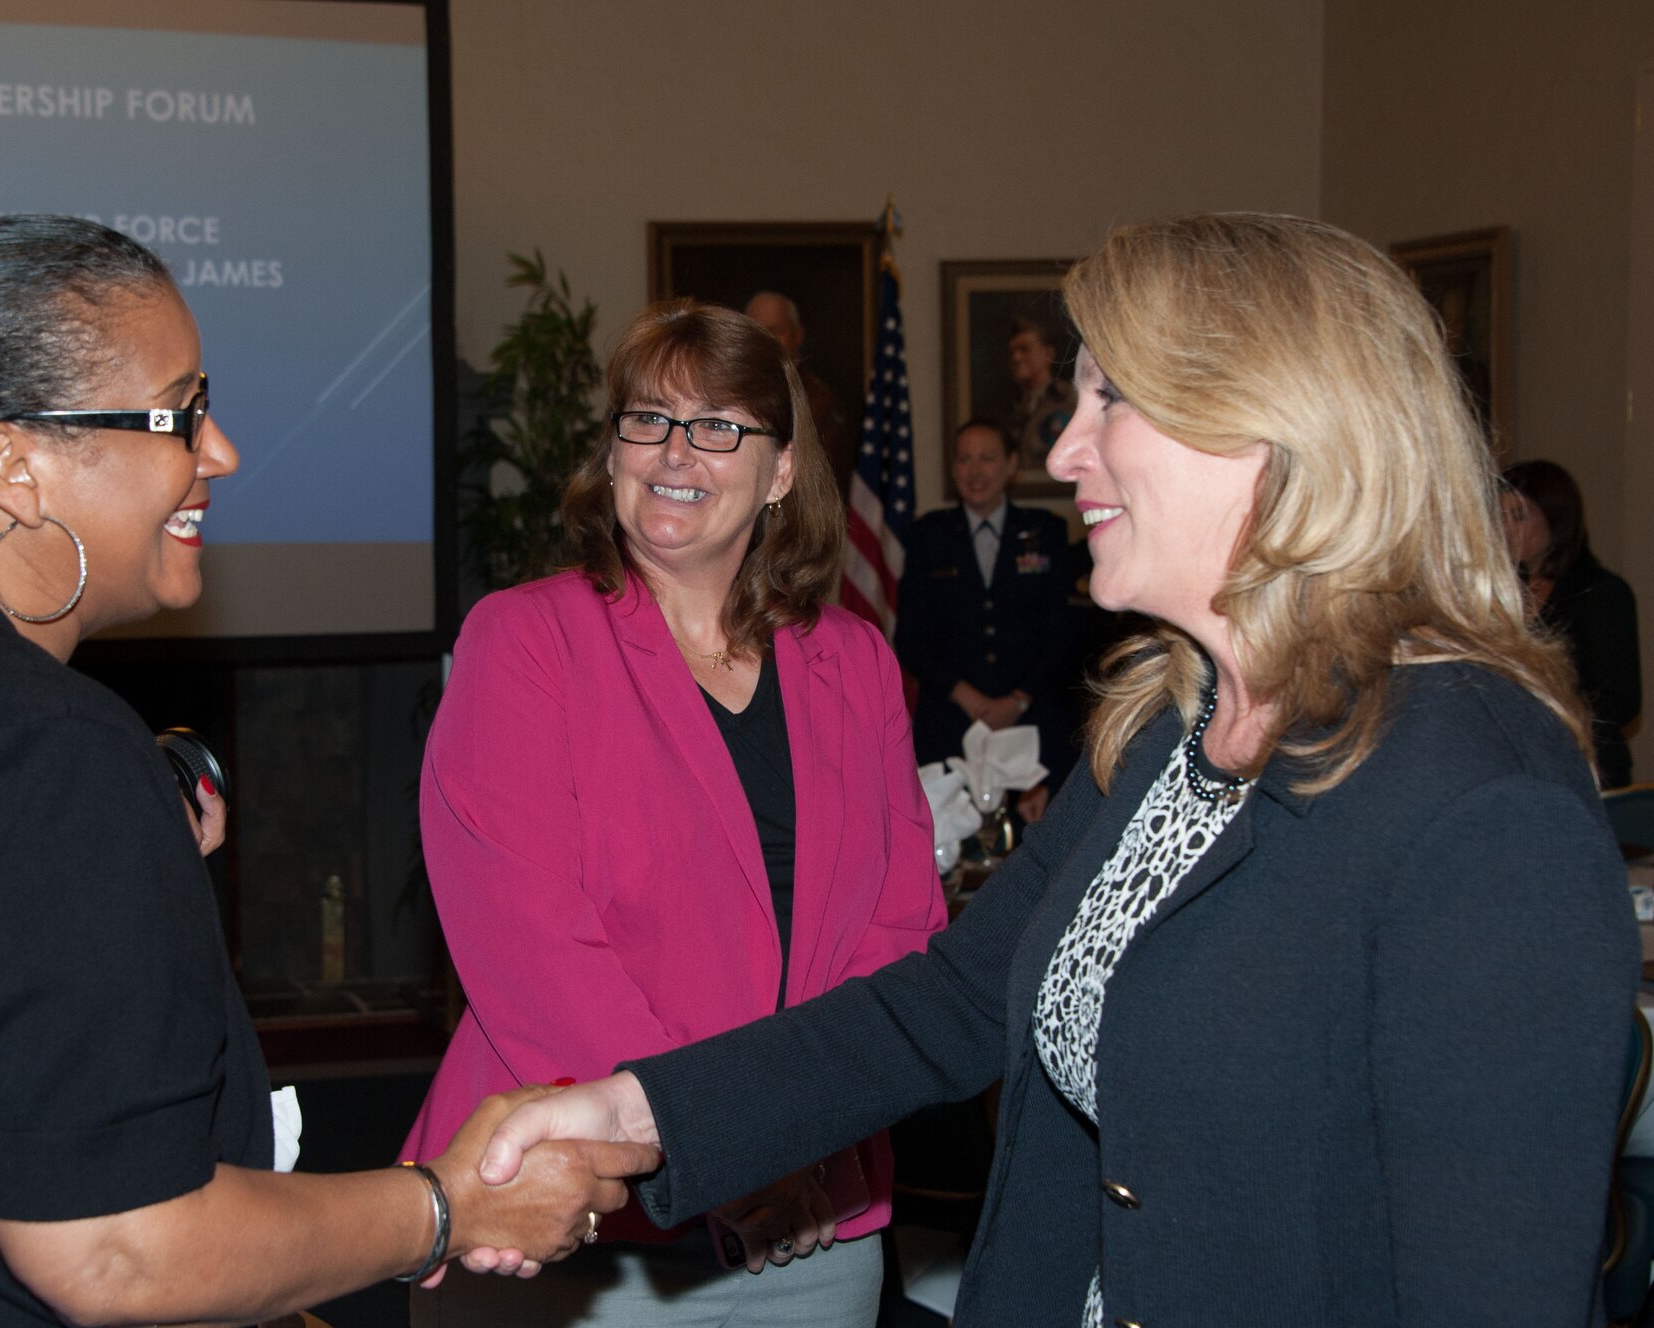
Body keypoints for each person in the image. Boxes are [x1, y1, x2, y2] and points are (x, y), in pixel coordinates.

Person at [468, 214, 1639, 1326]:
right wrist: (635, 1107)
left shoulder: (1481, 803)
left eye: (1108, 398)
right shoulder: (1168, 724)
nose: (1062, 446)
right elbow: (951, 1002)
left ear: (1274, 427)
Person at [0, 209, 654, 1326]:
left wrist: (101, 866)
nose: (217, 452)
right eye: (179, 414)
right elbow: (118, 1252)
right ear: (13, 463)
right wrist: (445, 1205)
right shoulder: (44, 753)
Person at [400, 298, 947, 1326]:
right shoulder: (523, 640)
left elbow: (898, 929)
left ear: (780, 470)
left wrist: (801, 1139)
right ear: (610, 453)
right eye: (646, 420)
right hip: (575, 1223)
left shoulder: (855, 662)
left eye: (716, 426)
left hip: (812, 1218)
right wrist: (719, 1147)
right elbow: (532, 947)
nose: (671, 452)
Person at [895, 417, 1076, 814]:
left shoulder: (1045, 532)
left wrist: (1018, 699)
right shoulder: (929, 535)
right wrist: (970, 699)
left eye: (987, 459)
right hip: (951, 723)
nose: (974, 471)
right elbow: (911, 636)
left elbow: (1061, 635)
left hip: (1032, 724)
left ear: (1011, 465)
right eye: (964, 460)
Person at [1503, 459, 1642, 788]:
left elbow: (1620, 701)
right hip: (1516, 771)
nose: (1506, 529)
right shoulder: (1496, 594)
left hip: (1584, 771)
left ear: (1556, 518)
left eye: (1518, 516)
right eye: (1499, 517)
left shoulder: (1601, 591)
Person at [745, 290, 853, 500]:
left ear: (798, 335)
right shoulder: (729, 392)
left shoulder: (819, 402)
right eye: (757, 331)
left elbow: (823, 483)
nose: (767, 340)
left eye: (776, 331)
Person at [1007, 316, 1075, 468]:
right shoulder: (1008, 406)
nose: (1016, 357)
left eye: (1024, 349)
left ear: (1048, 354)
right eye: (1012, 352)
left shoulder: (1070, 399)